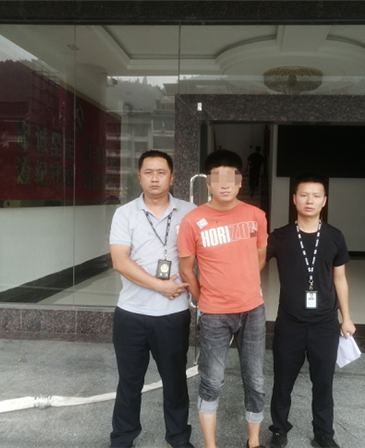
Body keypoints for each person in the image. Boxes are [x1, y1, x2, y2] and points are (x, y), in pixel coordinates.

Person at [177, 149, 268, 448]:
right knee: (212, 380)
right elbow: (186, 269)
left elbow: (259, 259)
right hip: (214, 313)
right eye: (218, 178)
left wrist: (241, 282)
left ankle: (253, 442)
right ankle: (210, 445)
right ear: (208, 183)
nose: (225, 184)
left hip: (253, 310)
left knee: (255, 379)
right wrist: (205, 298)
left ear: (240, 182)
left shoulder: (256, 216)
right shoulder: (193, 221)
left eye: (232, 177)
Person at [109, 150, 196, 448]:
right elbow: (120, 261)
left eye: (161, 172)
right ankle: (122, 438)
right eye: (148, 172)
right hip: (131, 313)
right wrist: (160, 286)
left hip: (173, 315)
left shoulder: (190, 212)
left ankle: (178, 438)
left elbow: (207, 255)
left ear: (172, 177)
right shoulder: (125, 213)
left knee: (175, 381)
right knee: (129, 382)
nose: (155, 178)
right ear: (139, 177)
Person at [266, 172, 356, 448]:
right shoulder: (280, 237)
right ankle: (279, 429)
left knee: (324, 383)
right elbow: (252, 265)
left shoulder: (334, 237)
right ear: (294, 199)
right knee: (283, 382)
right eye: (304, 195)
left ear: (324, 201)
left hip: (325, 325)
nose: (309, 200)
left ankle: (324, 434)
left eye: (316, 196)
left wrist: (347, 318)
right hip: (289, 324)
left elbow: (340, 279)